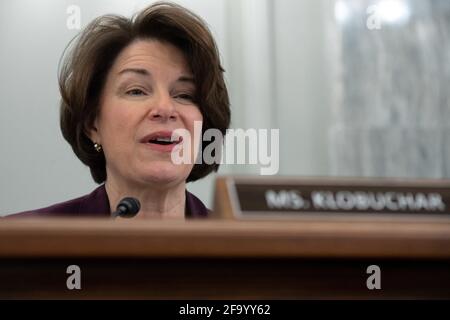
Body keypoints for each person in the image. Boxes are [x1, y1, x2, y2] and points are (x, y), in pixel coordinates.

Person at [9, 2, 230, 219]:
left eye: (184, 95)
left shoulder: (248, 250)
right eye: (136, 91)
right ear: (91, 124)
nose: (165, 108)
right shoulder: (18, 244)